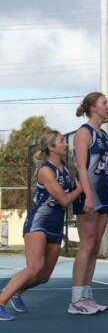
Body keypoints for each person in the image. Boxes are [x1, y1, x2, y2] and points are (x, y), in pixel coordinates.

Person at [0, 131, 82, 322]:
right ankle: (2, 300)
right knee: (35, 266)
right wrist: (81, 188)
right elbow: (63, 200)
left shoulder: (64, 168)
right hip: (39, 222)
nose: (66, 144)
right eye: (62, 141)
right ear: (51, 147)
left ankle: (15, 292)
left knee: (44, 275)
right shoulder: (46, 170)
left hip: (55, 224)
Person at [69, 92, 108, 316]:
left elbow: (104, 172)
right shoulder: (84, 132)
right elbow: (81, 167)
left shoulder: (104, 135)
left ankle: (86, 295)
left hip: (101, 193)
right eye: (104, 103)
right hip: (88, 194)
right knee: (87, 245)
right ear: (93, 108)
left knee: (95, 248)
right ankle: (75, 299)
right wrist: (89, 196)